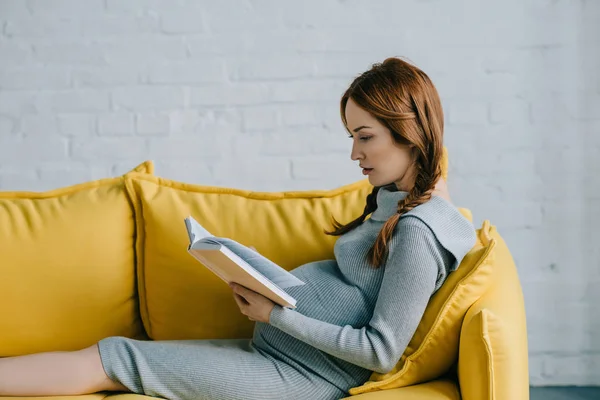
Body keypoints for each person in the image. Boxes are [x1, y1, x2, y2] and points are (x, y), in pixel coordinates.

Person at [0, 57, 476, 400]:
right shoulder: (401, 204)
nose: (355, 154)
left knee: (115, 359)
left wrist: (275, 315)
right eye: (352, 137)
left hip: (302, 376)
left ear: (408, 130)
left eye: (365, 137)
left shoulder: (420, 229)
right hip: (287, 357)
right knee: (119, 353)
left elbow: (381, 351)